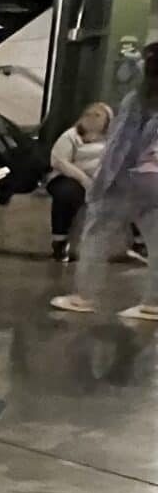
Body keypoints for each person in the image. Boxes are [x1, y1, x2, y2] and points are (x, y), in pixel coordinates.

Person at [50, 47, 158, 321]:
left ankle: (84, 296)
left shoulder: (138, 100)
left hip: (124, 180)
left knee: (96, 235)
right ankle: (153, 303)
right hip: (153, 182)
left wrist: (100, 184)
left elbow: (121, 146)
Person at [46, 102, 112, 261]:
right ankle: (60, 241)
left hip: (101, 180)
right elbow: (59, 161)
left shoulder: (112, 139)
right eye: (88, 113)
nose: (91, 117)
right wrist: (84, 179)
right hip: (70, 177)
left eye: (97, 115)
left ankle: (139, 242)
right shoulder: (71, 136)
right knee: (66, 194)